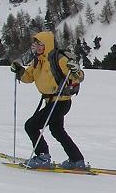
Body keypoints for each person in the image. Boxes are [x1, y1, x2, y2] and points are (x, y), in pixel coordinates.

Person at [11, 31, 86, 169]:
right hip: (52, 102)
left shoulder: (59, 59)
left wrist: (76, 71)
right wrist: (19, 71)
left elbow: (78, 77)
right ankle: (77, 160)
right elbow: (28, 77)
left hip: (61, 101)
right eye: (35, 44)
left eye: (40, 44)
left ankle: (43, 157)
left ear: (47, 44)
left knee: (31, 126)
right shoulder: (37, 61)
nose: (37, 47)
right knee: (57, 130)